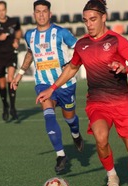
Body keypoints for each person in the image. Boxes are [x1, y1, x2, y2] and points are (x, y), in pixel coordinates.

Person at [36, 0, 128, 186]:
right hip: (98, 103)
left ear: (104, 18)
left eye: (93, 19)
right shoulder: (82, 44)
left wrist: (126, 69)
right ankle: (112, 176)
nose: (89, 24)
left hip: (123, 103)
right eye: (85, 20)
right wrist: (51, 88)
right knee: (100, 136)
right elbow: (71, 68)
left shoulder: (116, 40)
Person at [11, 0, 84, 174]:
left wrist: (71, 64)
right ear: (34, 14)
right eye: (38, 11)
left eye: (45, 11)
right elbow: (30, 53)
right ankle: (60, 155)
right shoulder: (29, 35)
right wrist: (20, 73)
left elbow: (80, 49)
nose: (42, 14)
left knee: (70, 119)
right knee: (48, 112)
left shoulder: (61, 33)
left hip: (65, 84)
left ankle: (76, 135)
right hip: (43, 84)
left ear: (50, 14)